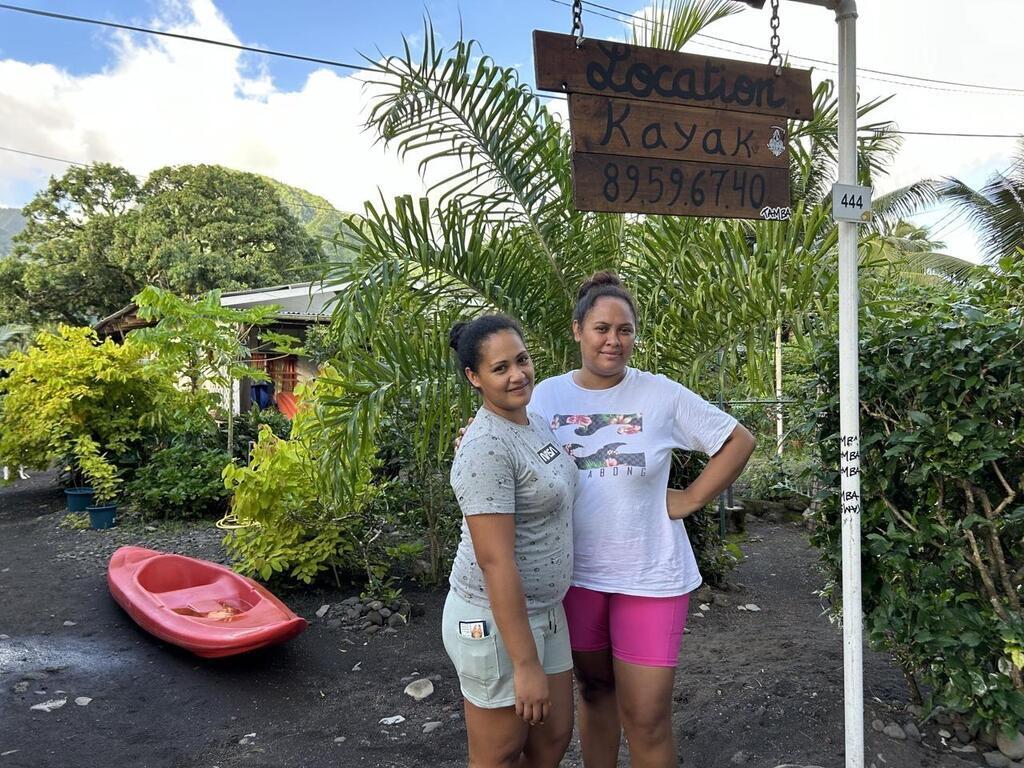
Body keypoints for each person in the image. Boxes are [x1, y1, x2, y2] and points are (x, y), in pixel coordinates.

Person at [529, 272, 756, 767]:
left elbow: (738, 440)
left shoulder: (660, 395)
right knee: (593, 692)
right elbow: (507, 447)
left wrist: (692, 496)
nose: (614, 340)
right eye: (601, 328)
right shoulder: (544, 398)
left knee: (648, 716)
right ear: (577, 331)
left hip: (650, 576)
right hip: (575, 575)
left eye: (625, 330)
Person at [444, 314, 579, 768]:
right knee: (499, 754)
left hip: (547, 609)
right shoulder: (485, 447)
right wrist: (524, 665)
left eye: (521, 360)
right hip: (494, 621)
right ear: (474, 378)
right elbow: (495, 562)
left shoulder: (533, 422)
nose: (517, 374)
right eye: (500, 368)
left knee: (553, 738)